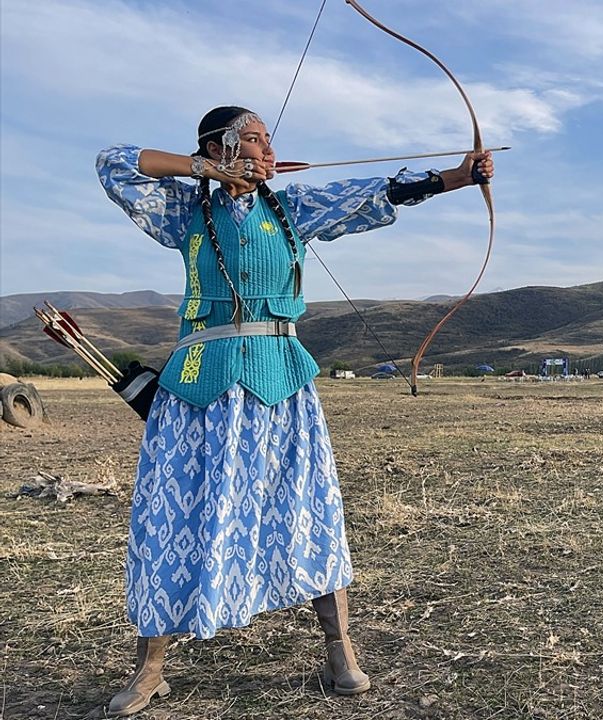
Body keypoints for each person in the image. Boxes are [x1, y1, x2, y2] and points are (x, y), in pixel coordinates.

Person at [95, 106, 494, 716]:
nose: (267, 150)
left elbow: (371, 193)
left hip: (281, 379)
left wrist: (456, 178)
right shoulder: (185, 211)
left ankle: (341, 651)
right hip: (199, 382)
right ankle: (150, 668)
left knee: (307, 507)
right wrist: (205, 170)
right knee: (171, 516)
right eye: (253, 139)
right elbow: (114, 161)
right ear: (221, 145)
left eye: (267, 140)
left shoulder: (292, 208)